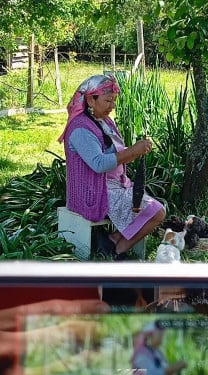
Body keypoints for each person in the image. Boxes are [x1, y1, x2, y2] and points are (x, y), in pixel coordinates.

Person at [59, 74, 166, 260]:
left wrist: (136, 152)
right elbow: (99, 164)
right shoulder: (80, 128)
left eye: (114, 100)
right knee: (156, 212)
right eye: (108, 100)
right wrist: (132, 150)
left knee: (154, 210)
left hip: (115, 186)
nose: (113, 106)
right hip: (93, 192)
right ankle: (118, 250)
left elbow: (116, 154)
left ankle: (113, 242)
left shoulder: (105, 121)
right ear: (91, 100)